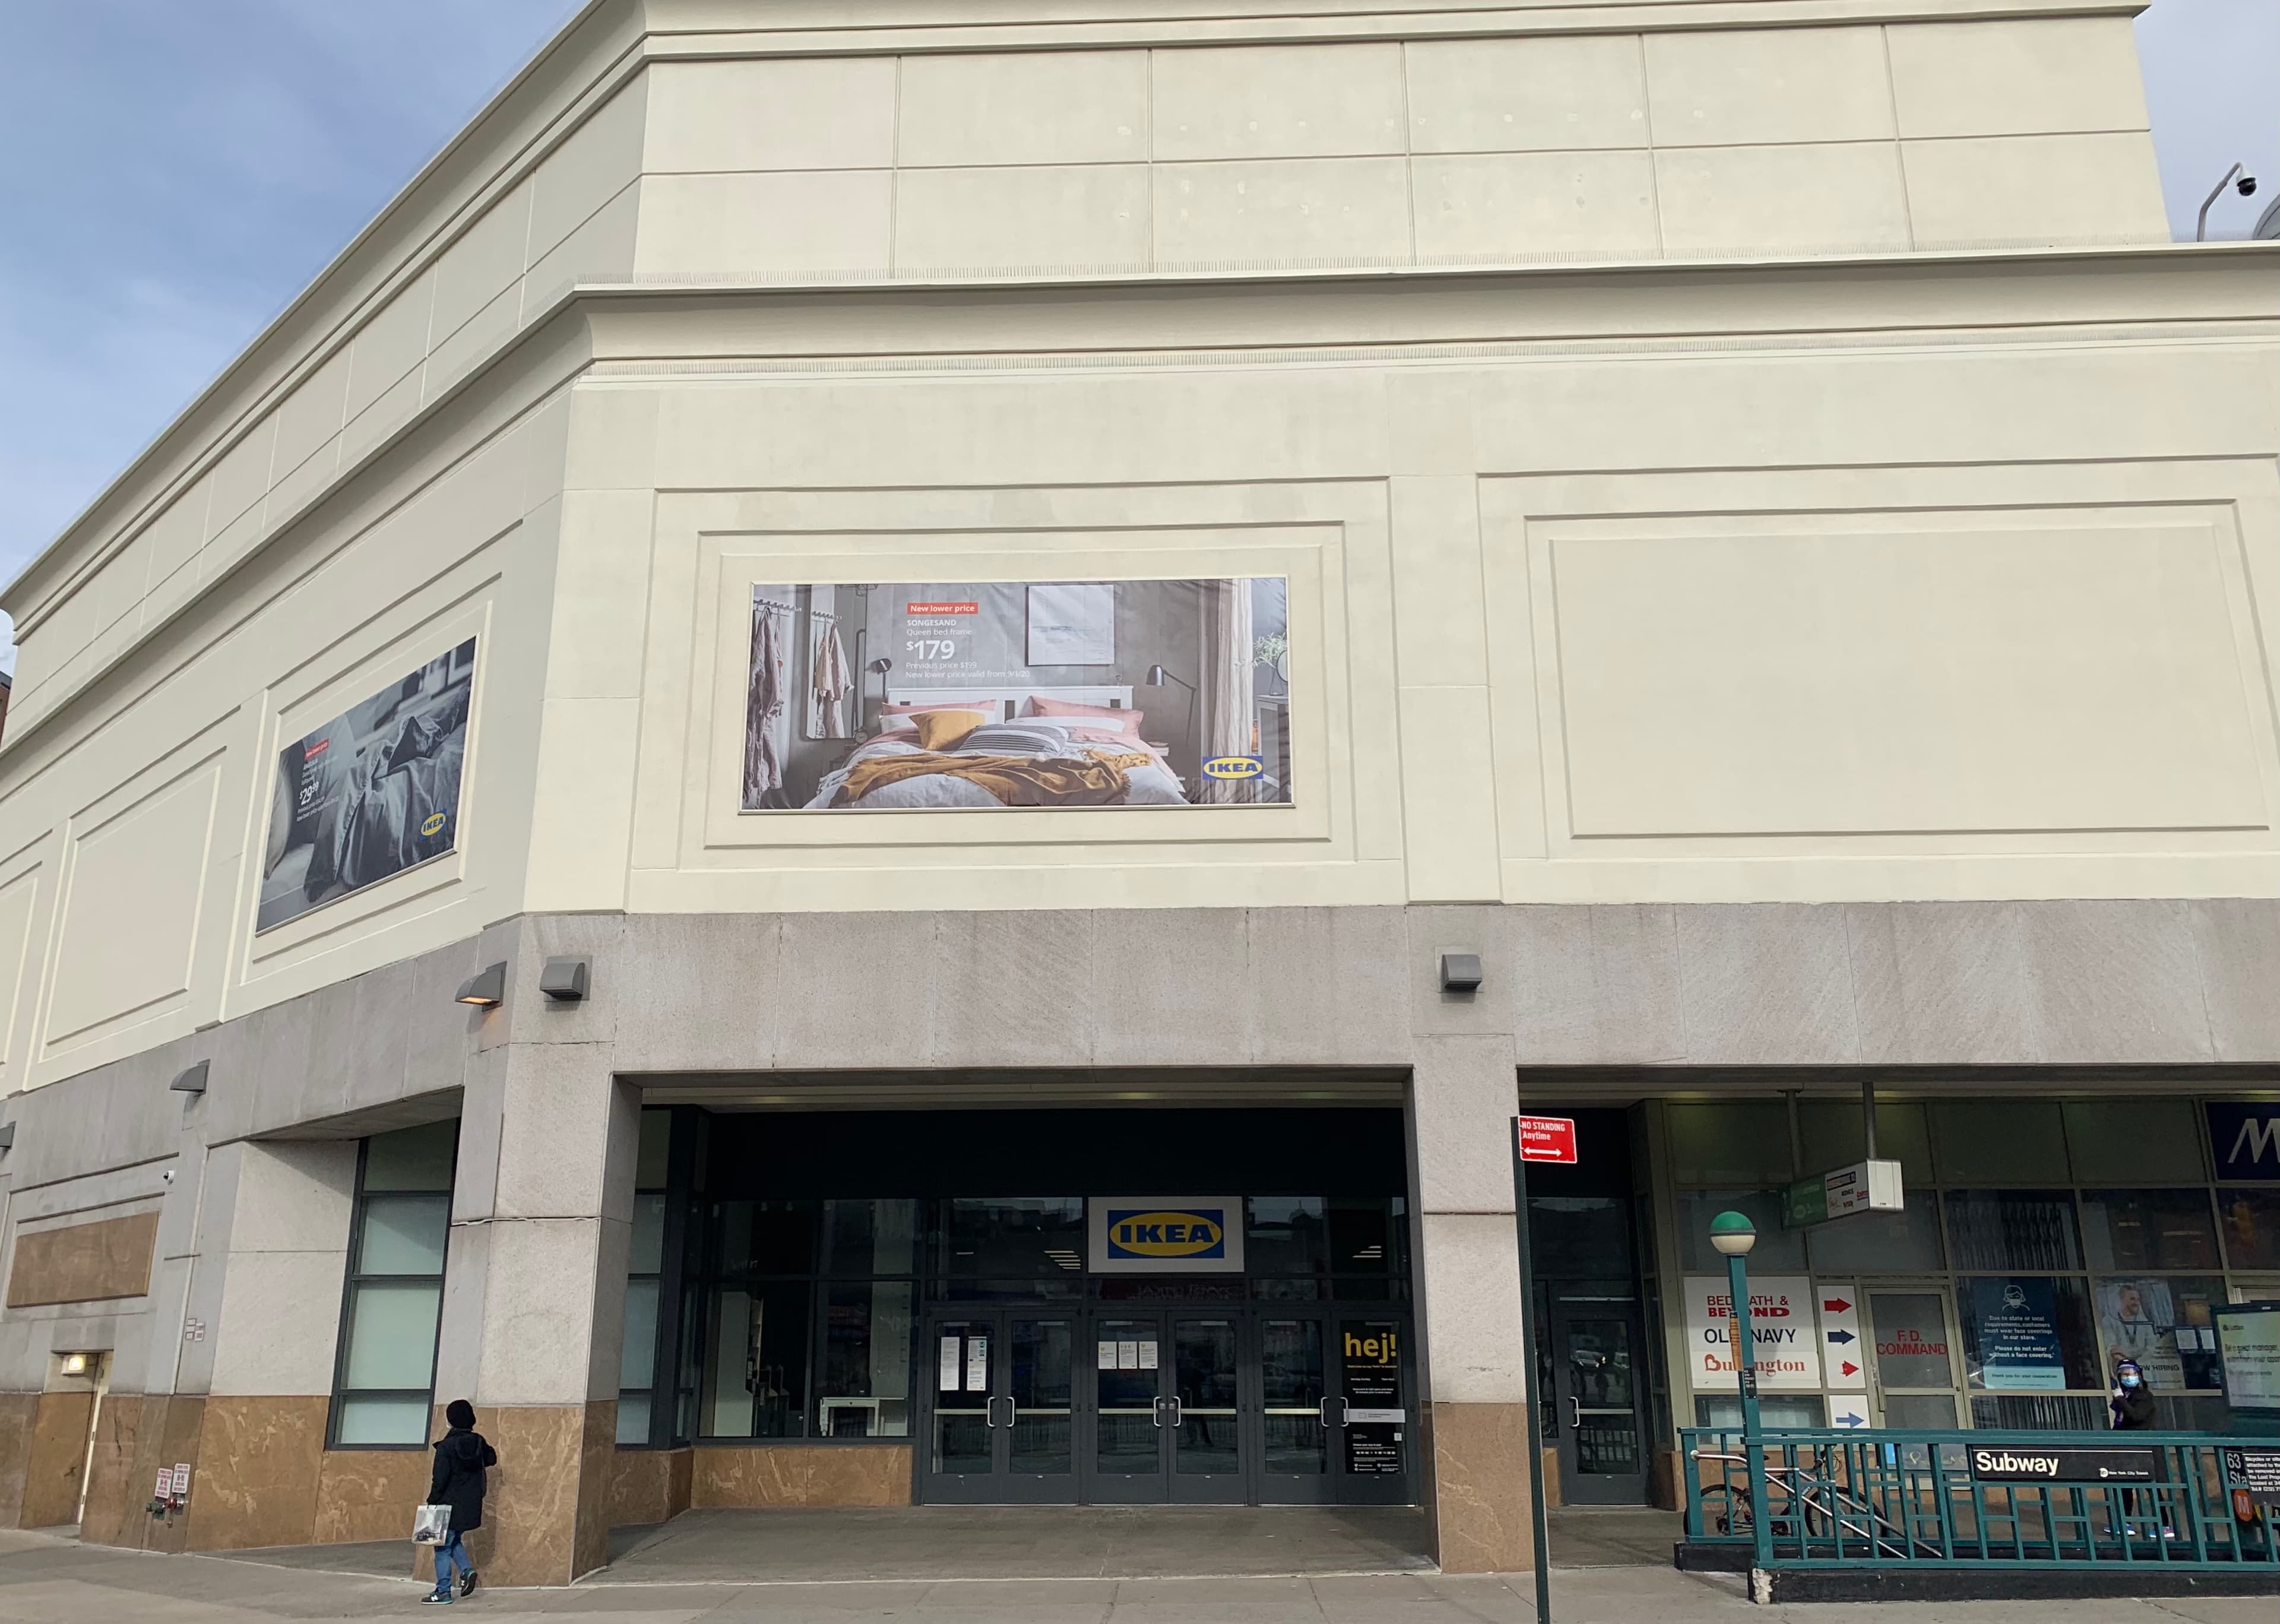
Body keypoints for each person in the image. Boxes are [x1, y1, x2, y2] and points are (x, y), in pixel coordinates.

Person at [425, 1400, 496, 1604]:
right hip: (471, 1505)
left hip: (447, 1504)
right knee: (454, 1540)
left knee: (441, 1548)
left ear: (451, 1421)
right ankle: (467, 1571)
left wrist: (432, 1501)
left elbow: (439, 1479)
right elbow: (491, 1459)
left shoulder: (446, 1447)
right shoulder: (478, 1442)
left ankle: (443, 1591)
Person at [2107, 1358, 2168, 1538]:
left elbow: (2136, 1416)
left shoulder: (2144, 1396)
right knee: (2125, 1485)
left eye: (2132, 1374)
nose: (2129, 1377)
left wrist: (2120, 1399)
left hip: (2144, 1447)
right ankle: (2125, 1522)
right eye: (2124, 1375)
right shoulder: (2126, 1395)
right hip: (2126, 1446)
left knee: (2151, 1486)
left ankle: (2164, 1525)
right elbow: (2121, 1420)